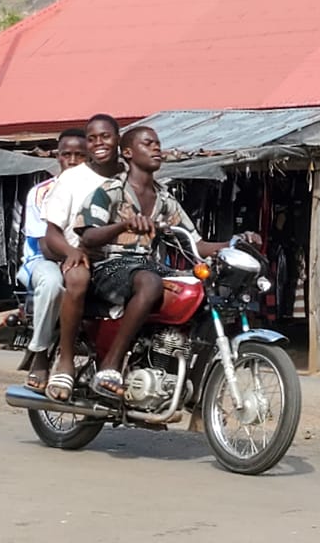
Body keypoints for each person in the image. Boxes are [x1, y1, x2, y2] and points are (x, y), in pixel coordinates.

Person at [75, 125, 259, 399]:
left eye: (157, 144)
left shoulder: (165, 199)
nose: (156, 148)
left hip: (147, 267)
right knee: (150, 283)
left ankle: (177, 373)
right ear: (127, 152)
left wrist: (234, 241)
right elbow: (88, 236)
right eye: (148, 143)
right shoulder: (110, 191)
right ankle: (110, 365)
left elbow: (195, 243)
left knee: (200, 288)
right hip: (109, 266)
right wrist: (123, 225)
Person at [41, 114, 125, 402]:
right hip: (81, 257)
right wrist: (72, 251)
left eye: (106, 136)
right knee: (77, 278)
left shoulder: (129, 177)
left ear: (119, 139)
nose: (99, 143)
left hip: (121, 260)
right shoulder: (72, 178)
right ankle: (65, 360)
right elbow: (51, 233)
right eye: (93, 138)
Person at [17, 128, 88, 391]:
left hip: (84, 257)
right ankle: (40, 353)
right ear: (57, 156)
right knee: (52, 283)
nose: (72, 160)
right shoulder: (40, 192)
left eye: (79, 155)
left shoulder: (99, 191)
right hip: (44, 260)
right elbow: (46, 246)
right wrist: (77, 255)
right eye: (66, 154)